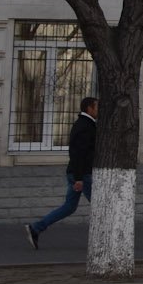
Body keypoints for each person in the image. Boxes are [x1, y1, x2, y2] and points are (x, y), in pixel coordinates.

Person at [28, 96, 97, 247]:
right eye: (97, 107)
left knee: (69, 207)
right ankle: (105, 239)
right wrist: (79, 178)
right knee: (100, 205)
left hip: (77, 173)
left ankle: (36, 228)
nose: (99, 110)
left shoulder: (85, 124)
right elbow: (78, 154)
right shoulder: (85, 126)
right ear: (89, 108)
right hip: (82, 174)